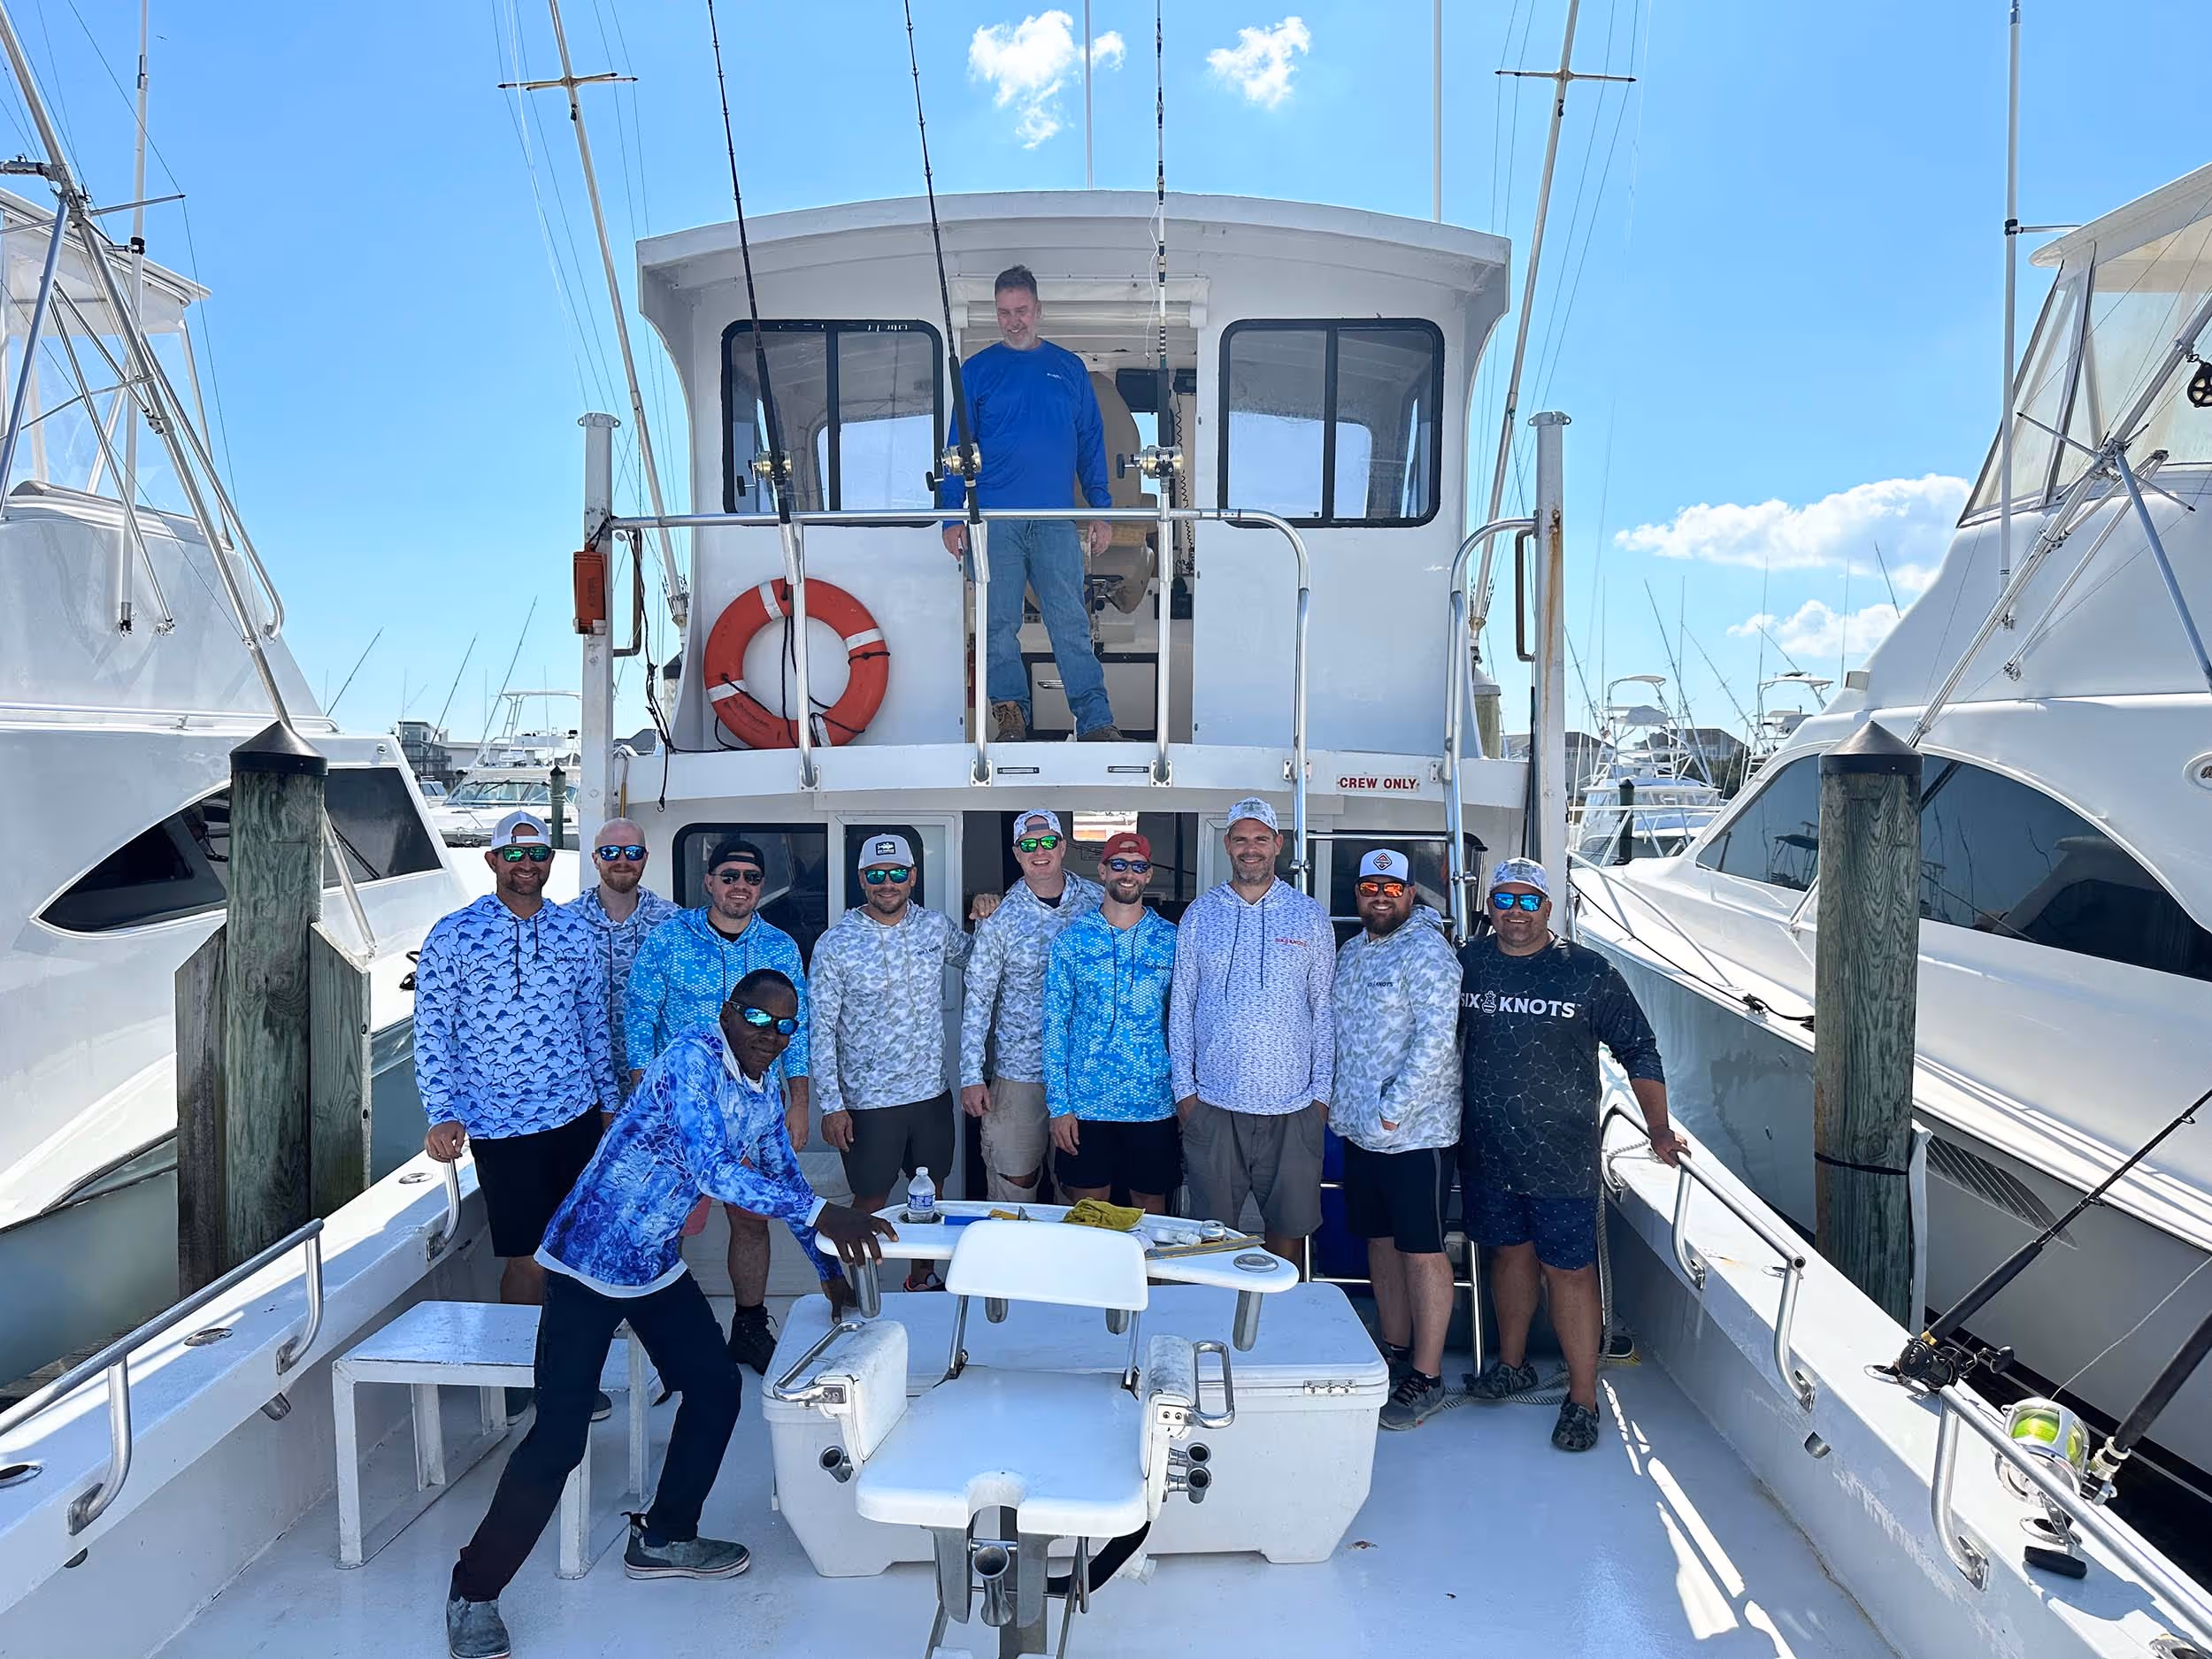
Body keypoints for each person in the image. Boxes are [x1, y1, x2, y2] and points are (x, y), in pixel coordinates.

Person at [442, 971, 895, 1659]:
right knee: (559, 1439)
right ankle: (473, 1590)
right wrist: (821, 1213)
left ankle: (663, 1535)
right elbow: (712, 1168)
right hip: (587, 1261)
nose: (770, 1034)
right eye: (756, 1016)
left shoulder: (763, 1093)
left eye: (784, 1026)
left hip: (654, 1264)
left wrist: (829, 1268)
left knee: (715, 1389)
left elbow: (786, 1179)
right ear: (725, 1013)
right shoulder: (689, 1058)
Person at [1457, 857, 1682, 1454]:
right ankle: (1513, 1364)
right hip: (1488, 1150)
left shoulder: (1587, 972)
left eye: (1528, 901)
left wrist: (1659, 1128)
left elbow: (1639, 1046)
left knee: (1571, 1272)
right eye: (1503, 899)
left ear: (1548, 909)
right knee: (1508, 1255)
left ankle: (1582, 1397)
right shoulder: (1468, 961)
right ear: (1492, 907)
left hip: (1563, 1157)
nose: (1515, 912)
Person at [418, 810, 619, 1417]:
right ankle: (518, 1372)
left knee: (575, 1259)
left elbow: (593, 1024)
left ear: (549, 863)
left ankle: (571, 1376)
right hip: (501, 1129)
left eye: (537, 856)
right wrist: (441, 1112)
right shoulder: (452, 935)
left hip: (575, 1118)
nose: (526, 865)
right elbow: (434, 1031)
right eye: (514, 854)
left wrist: (608, 1105)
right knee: (527, 1260)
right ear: (492, 860)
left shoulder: (574, 934)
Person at [625, 836, 810, 1373]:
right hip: (682, 1113)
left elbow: (795, 1032)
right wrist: (650, 1098)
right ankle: (666, 1346)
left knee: (752, 1220)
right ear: (709, 882)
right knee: (669, 1221)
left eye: (752, 878)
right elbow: (639, 1020)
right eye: (729, 876)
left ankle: (749, 1328)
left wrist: (798, 1102)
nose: (740, 887)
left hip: (752, 1112)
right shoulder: (668, 939)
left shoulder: (779, 947)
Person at [937, 264, 1123, 743]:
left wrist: (1100, 509)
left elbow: (1090, 441)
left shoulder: (1069, 369)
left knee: (1070, 621)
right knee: (997, 623)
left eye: (1021, 310)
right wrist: (950, 516)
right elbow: (958, 447)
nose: (1014, 320)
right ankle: (1010, 716)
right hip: (994, 522)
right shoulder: (975, 372)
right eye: (1004, 313)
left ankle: (1096, 719)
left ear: (1039, 310)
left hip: (1056, 521)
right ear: (996, 315)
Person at [1168, 797, 1334, 1267]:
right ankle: (1219, 1326)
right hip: (1214, 1105)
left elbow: (1323, 1008)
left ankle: (1281, 1324)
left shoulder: (1309, 915)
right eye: (1240, 839)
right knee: (1212, 1238)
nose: (1250, 849)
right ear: (1227, 845)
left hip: (1294, 1106)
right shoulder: (1201, 914)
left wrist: (1320, 1096)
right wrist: (1186, 1093)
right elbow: (1181, 1005)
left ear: (1278, 844)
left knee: (1289, 1232)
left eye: (1261, 838)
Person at [1330, 849, 1463, 1431]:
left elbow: (1437, 1040)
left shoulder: (1429, 951)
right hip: (1361, 1133)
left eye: (1392, 886)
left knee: (1422, 1249)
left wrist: (1392, 1109)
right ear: (1357, 893)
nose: (1380, 895)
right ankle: (1394, 1348)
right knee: (1379, 1244)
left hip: (1416, 1136)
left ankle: (1428, 1376)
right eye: (1369, 885)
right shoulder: (1352, 952)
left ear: (1411, 894)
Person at [810, 833, 972, 1285]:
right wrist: (833, 1104)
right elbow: (819, 1028)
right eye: (877, 875)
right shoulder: (836, 943)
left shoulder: (935, 928)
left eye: (897, 873)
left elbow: (980, 959)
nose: (888, 884)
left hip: (931, 1094)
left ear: (913, 877)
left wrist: (989, 917)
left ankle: (922, 1278)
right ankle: (858, 1290)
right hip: (868, 1101)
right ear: (862, 880)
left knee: (931, 1196)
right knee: (870, 1202)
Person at [959, 810, 1102, 1202]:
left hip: (1085, 1069)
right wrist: (971, 1074)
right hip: (1021, 1069)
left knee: (1081, 1187)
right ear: (1017, 853)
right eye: (1028, 845)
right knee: (1015, 1179)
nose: (1039, 852)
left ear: (1062, 847)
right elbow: (979, 997)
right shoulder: (999, 916)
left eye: (1046, 842)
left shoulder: (1097, 901)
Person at [1043, 830, 1181, 1212]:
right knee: (1090, 1208)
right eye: (1119, 865)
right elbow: (1055, 1026)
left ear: (1149, 874)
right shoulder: (1071, 941)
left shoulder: (1172, 940)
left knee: (1149, 1208)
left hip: (1154, 1102)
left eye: (1138, 866)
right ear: (1102, 871)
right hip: (1086, 1104)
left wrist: (1185, 1097)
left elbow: (1184, 1024)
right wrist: (1059, 1106)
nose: (1128, 874)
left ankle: (1148, 1276)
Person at [567, 818, 680, 1110]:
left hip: (655, 1083)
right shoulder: (564, 923)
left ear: (644, 858)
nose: (621, 860)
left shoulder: (674, 922)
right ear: (595, 858)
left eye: (632, 852)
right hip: (581, 1084)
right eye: (609, 852)